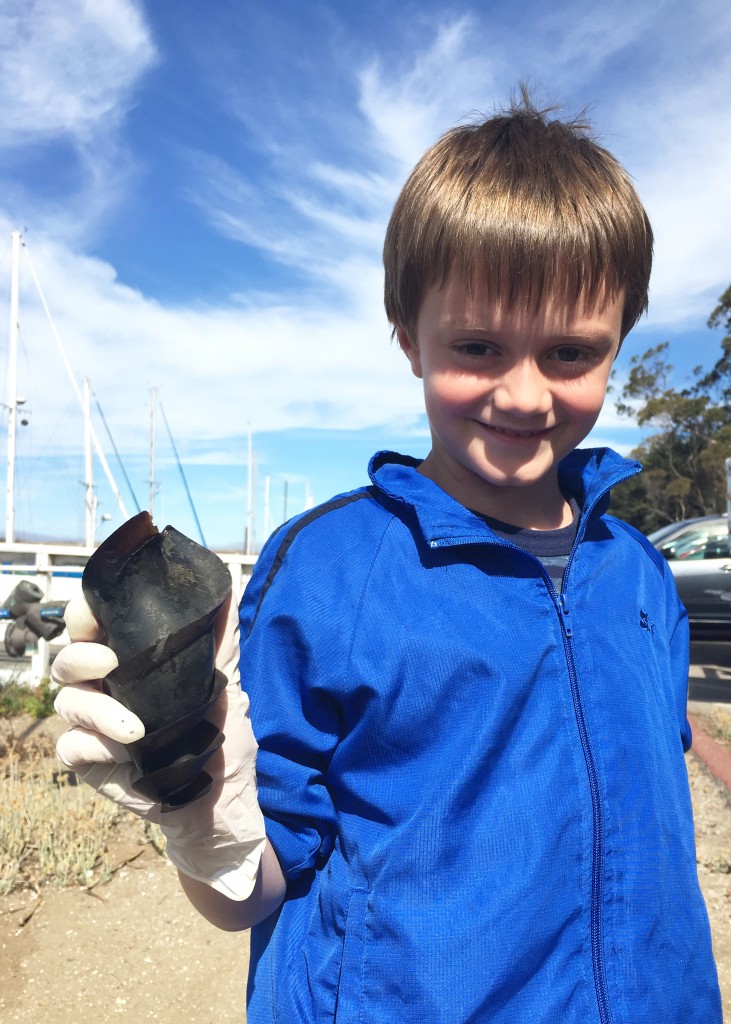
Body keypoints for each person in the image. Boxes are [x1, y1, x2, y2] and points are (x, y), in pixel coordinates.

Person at [51, 91, 722, 1022]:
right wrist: (202, 816)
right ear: (407, 334)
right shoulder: (328, 568)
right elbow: (256, 884)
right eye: (477, 347)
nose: (524, 395)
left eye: (569, 352)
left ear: (618, 344)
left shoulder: (639, 571)